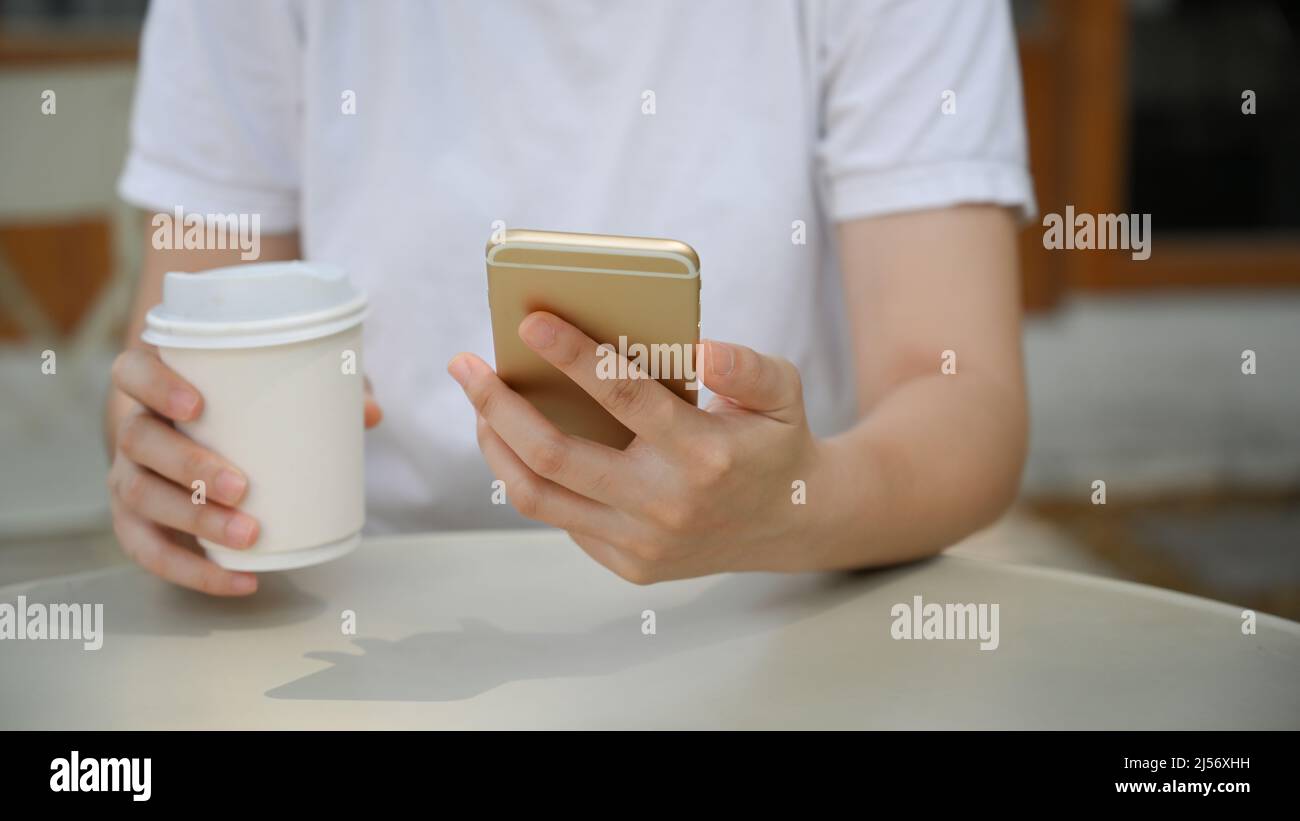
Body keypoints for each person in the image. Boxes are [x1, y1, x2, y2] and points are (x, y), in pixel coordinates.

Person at [106, 0, 1035, 596]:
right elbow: (190, 337)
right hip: (356, 600)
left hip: (769, 597)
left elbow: (963, 399)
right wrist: (169, 450)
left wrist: (792, 502)